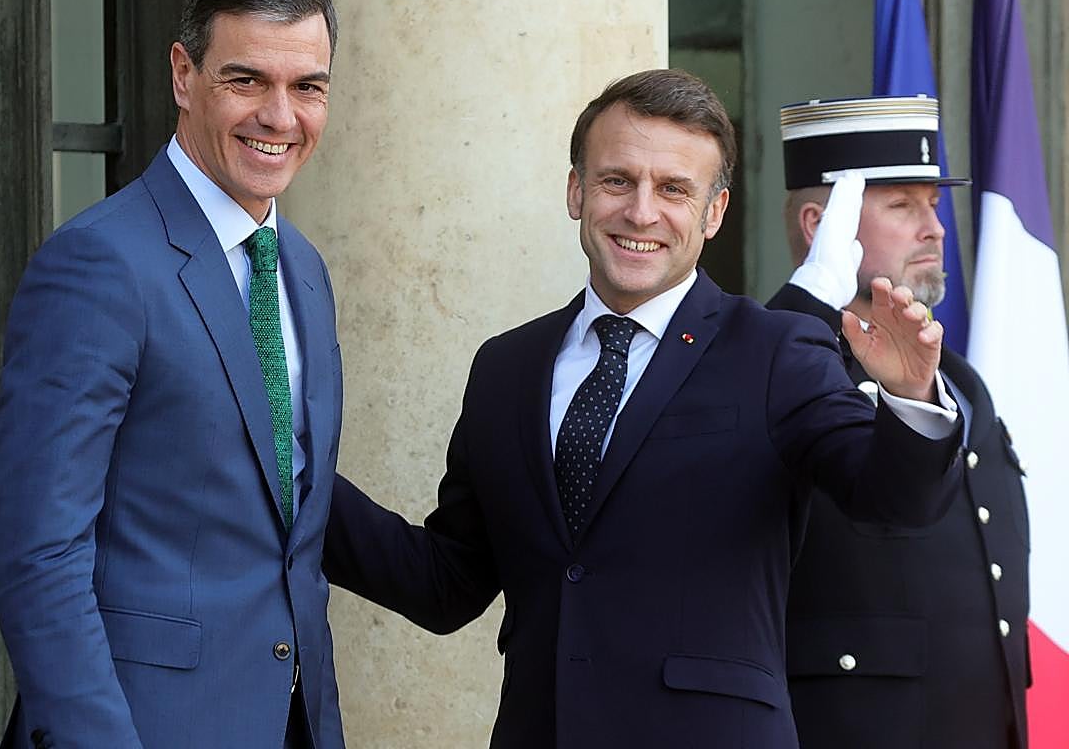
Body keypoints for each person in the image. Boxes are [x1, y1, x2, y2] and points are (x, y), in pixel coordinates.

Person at [323, 69, 966, 749]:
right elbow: (445, 582)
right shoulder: (506, 368)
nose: (641, 212)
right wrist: (285, 471)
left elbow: (892, 500)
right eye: (616, 181)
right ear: (576, 191)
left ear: (714, 213)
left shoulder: (775, 349)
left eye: (673, 189)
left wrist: (910, 399)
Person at [0, 0, 345, 749]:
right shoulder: (101, 263)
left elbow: (273, 475)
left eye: (307, 87)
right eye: (246, 80)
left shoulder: (301, 267)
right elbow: (39, 552)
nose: (280, 116)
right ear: (184, 75)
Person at [768, 94, 1030, 749]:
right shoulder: (777, 370)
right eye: (902, 205)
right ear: (817, 224)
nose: (935, 228)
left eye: (934, 204)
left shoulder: (961, 383)